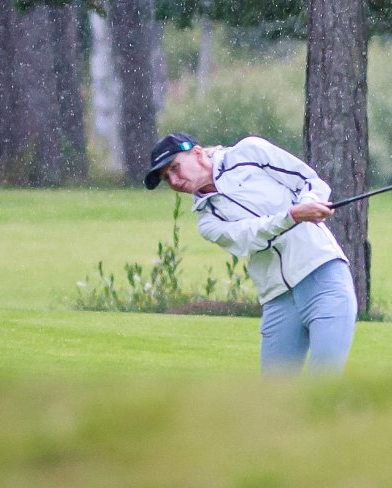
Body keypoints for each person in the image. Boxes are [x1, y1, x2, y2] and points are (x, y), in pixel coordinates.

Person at [144, 131, 357, 371]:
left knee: (324, 382)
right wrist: (293, 216)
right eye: (165, 178)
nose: (173, 181)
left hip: (323, 275)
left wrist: (310, 203)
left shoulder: (249, 152)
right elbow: (252, 237)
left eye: (174, 168)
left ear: (197, 153)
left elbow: (309, 181)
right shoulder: (208, 221)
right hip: (278, 297)